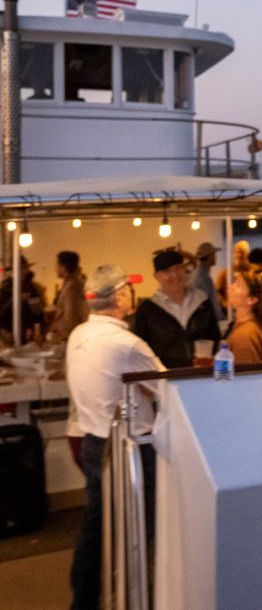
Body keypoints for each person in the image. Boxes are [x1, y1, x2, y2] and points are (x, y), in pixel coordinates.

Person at [67, 264, 164, 610]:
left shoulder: (78, 335)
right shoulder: (126, 344)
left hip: (93, 440)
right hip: (130, 449)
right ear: (120, 296)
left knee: (95, 524)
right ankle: (137, 596)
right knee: (143, 528)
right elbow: (164, 387)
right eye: (129, 289)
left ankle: (84, 600)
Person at [132, 249, 220, 368]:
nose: (175, 275)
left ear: (184, 270)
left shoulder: (202, 302)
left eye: (178, 268)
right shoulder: (148, 310)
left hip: (201, 375)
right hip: (165, 378)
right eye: (167, 271)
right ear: (156, 276)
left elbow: (215, 338)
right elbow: (141, 351)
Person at [49, 251, 90, 472]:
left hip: (75, 351)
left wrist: (59, 332)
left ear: (63, 267)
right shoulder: (71, 285)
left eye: (56, 265)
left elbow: (74, 320)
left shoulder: (73, 287)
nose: (55, 269)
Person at [225, 268, 262, 364]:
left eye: (238, 285)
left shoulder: (244, 336)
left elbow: (244, 377)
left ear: (252, 299)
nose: (230, 287)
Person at [0, 255, 47, 335]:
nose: (25, 271)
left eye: (25, 268)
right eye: (22, 268)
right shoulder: (6, 287)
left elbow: (37, 312)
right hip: (10, 329)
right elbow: (2, 310)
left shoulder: (31, 286)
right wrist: (15, 300)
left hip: (28, 329)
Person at [189, 242, 224, 321]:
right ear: (210, 256)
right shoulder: (204, 279)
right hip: (213, 322)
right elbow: (205, 306)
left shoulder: (196, 275)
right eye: (214, 255)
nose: (216, 257)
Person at [215, 239, 250, 310]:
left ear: (247, 254)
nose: (239, 255)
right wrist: (225, 304)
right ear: (233, 254)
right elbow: (217, 292)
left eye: (242, 252)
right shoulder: (225, 273)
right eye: (237, 252)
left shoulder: (251, 273)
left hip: (247, 311)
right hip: (230, 312)